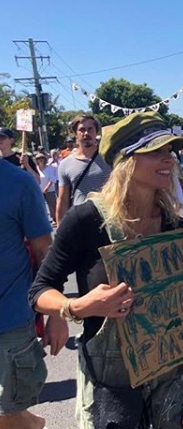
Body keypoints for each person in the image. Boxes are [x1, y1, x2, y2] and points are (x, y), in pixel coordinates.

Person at [29, 112, 183, 429]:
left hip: (171, 390)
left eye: (170, 151)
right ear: (126, 160)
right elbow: (39, 291)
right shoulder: (86, 221)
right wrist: (78, 307)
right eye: (155, 151)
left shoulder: (176, 227)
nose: (168, 159)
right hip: (111, 391)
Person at [0, 159, 67, 429]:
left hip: (10, 322)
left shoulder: (18, 182)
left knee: (8, 412)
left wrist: (58, 314)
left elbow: (45, 252)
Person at [56, 115, 111, 223]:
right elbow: (62, 201)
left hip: (109, 219)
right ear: (75, 134)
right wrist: (61, 230)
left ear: (96, 132)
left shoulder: (109, 158)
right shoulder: (65, 164)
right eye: (82, 130)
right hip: (81, 223)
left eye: (90, 129)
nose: (86, 133)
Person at [35, 153, 57, 222]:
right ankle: (44, 220)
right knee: (40, 206)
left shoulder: (50, 168)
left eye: (42, 158)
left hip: (50, 190)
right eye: (38, 158)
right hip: (39, 190)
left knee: (53, 205)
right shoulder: (35, 169)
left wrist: (47, 188)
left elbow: (52, 179)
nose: (40, 160)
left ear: (45, 159)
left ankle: (55, 219)